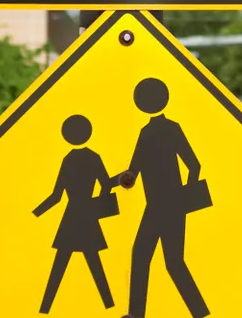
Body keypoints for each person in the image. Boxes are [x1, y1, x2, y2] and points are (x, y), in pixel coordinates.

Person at [114, 77, 211, 318]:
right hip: (159, 207)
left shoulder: (161, 130)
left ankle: (197, 312)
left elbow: (193, 165)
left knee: (165, 261)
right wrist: (118, 180)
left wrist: (184, 198)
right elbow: (133, 170)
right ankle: (140, 313)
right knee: (156, 260)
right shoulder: (151, 131)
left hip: (167, 207)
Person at [33, 114, 116, 313]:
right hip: (87, 215)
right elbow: (105, 185)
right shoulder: (93, 157)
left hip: (72, 216)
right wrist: (99, 205)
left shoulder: (68, 159)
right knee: (93, 263)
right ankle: (109, 305)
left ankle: (45, 307)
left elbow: (56, 196)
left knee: (60, 264)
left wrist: (38, 211)